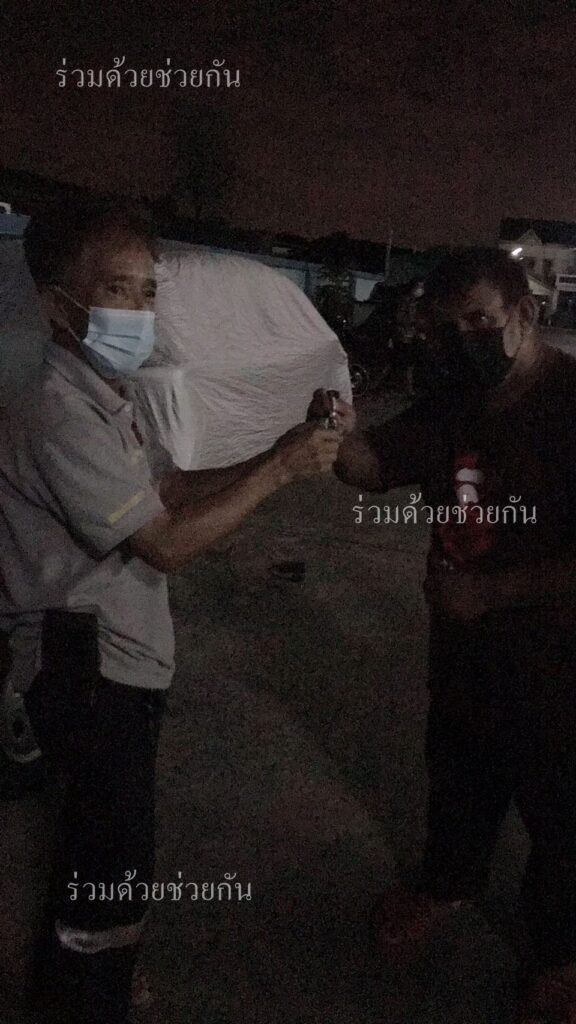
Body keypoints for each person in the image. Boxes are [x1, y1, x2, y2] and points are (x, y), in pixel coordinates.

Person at [0, 199, 342, 1024]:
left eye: (148, 291)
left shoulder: (105, 393)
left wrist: (275, 450)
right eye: (116, 289)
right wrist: (281, 473)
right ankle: (83, 999)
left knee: (99, 842)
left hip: (115, 660)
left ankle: (90, 979)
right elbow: (162, 542)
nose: (140, 311)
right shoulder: (58, 409)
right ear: (57, 302)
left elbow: (170, 489)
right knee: (105, 855)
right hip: (84, 667)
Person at [313, 248, 576, 1024]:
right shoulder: (454, 399)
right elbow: (374, 467)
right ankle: (448, 885)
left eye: (480, 322)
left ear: (525, 314)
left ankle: (559, 953)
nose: (464, 341)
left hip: (558, 661)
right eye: (447, 327)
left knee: (562, 812)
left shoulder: (569, 404)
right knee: (459, 776)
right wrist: (338, 435)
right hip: (463, 652)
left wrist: (492, 591)